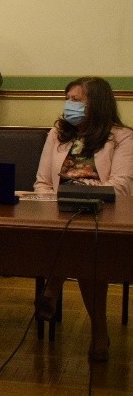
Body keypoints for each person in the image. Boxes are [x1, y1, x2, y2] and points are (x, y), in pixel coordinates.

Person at [34, 76, 133, 363]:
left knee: (86, 242)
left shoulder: (122, 137)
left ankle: (52, 287)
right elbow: (42, 182)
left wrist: (82, 195)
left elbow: (122, 186)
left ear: (96, 103)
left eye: (76, 100)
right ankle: (99, 331)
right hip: (58, 211)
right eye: (68, 99)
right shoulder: (58, 134)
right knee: (80, 243)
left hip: (102, 214)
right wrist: (53, 202)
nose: (70, 105)